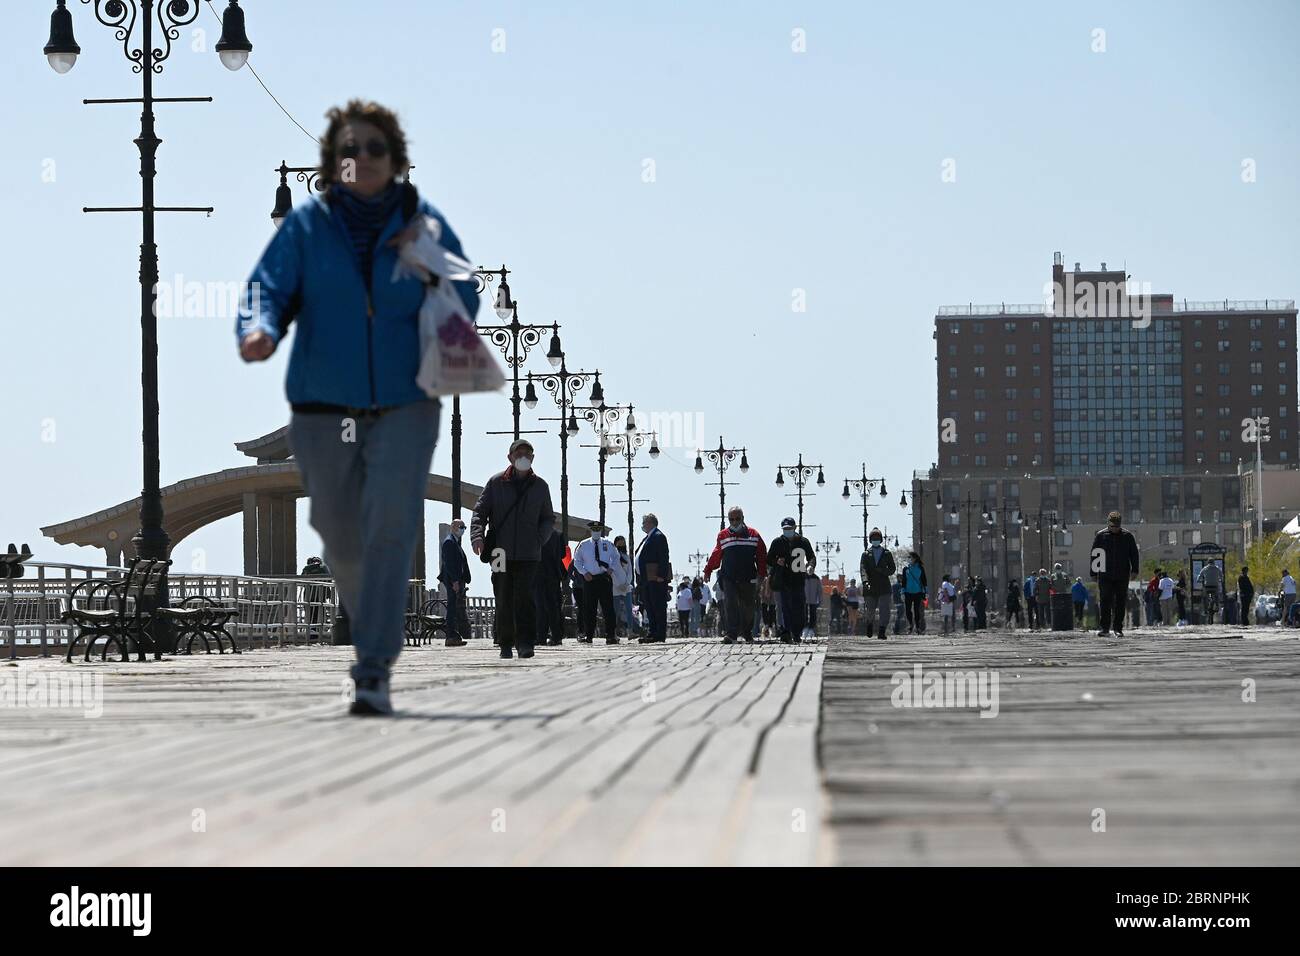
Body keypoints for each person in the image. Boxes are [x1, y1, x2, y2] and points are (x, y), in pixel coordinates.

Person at [238, 100, 478, 716]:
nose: (363, 158)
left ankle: (372, 664)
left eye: (375, 148)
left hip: (406, 400)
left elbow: (466, 295)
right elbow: (267, 286)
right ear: (333, 161)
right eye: (351, 149)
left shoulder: (422, 224)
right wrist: (260, 327)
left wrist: (422, 259)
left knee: (393, 524)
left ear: (395, 159)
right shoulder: (308, 226)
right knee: (340, 533)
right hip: (323, 402)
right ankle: (370, 636)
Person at [471, 438, 556, 660]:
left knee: (525, 598)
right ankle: (505, 644)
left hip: (529, 553)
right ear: (510, 457)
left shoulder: (540, 486)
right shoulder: (496, 483)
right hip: (499, 552)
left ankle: (526, 643)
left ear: (533, 458)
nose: (523, 457)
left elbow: (548, 518)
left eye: (528, 454)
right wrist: (477, 537)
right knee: (503, 596)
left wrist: (539, 539)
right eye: (519, 454)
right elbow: (479, 512)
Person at [704, 506, 767, 644]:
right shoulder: (723, 535)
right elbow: (716, 555)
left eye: (737, 519)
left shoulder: (753, 535)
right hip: (729, 577)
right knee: (730, 604)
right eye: (731, 519)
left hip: (748, 576)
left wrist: (761, 575)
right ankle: (731, 633)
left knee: (748, 606)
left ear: (743, 518)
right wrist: (708, 569)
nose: (734, 521)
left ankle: (747, 632)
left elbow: (762, 556)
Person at [573, 521, 625, 645]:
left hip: (604, 579)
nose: (596, 531)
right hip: (590, 580)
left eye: (598, 529)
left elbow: (616, 557)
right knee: (589, 609)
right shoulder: (584, 545)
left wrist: (611, 568)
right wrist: (584, 572)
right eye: (594, 529)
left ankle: (611, 635)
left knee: (608, 609)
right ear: (591, 530)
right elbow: (577, 561)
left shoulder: (608, 544)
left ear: (601, 530)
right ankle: (589, 635)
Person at [1089, 511, 1140, 638]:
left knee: (1120, 601)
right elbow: (1095, 554)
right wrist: (1093, 573)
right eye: (1112, 527)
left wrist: (1135, 570)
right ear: (1108, 525)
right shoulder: (1101, 536)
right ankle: (1105, 628)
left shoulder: (1128, 536)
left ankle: (1118, 628)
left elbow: (1134, 554)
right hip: (1104, 575)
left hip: (1122, 574)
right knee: (1105, 600)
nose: (1115, 529)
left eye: (1117, 527)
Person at [767, 517, 815, 643]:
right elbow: (768, 558)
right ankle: (786, 632)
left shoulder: (803, 542)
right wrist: (776, 561)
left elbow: (811, 557)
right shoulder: (777, 542)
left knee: (799, 608)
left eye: (789, 528)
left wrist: (810, 566)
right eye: (785, 529)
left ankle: (796, 632)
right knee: (785, 607)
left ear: (795, 528)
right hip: (783, 579)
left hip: (798, 579)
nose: (787, 531)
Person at [437, 519, 471, 647]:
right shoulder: (449, 542)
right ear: (453, 527)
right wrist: (455, 581)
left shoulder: (454, 542)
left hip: (455, 579)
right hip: (452, 580)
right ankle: (450, 636)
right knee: (452, 608)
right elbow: (449, 564)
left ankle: (454, 635)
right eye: (461, 527)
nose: (463, 529)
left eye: (464, 527)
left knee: (454, 607)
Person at [859, 528, 896, 640]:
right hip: (870, 585)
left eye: (877, 538)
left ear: (881, 540)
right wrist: (865, 582)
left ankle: (882, 631)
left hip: (884, 585)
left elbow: (892, 569)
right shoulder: (865, 554)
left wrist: (883, 571)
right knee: (870, 608)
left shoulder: (887, 553)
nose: (876, 540)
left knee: (884, 609)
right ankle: (869, 624)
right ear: (870, 540)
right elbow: (863, 569)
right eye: (873, 538)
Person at [534, 526, 567, 646]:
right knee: (553, 607)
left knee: (539, 607)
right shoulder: (558, 534)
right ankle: (557, 636)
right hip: (553, 574)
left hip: (537, 574)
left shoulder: (532, 531)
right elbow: (563, 554)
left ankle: (541, 636)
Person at [613, 536, 636, 638]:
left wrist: (626, 584)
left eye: (623, 541)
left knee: (629, 609)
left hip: (626, 587)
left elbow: (630, 572)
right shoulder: (612, 556)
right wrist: (618, 584)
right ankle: (613, 632)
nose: (621, 543)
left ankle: (630, 631)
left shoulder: (626, 557)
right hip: (615, 588)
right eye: (619, 541)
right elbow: (611, 572)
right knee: (616, 611)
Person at [902, 552, 927, 634]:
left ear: (915, 558)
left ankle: (918, 627)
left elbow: (924, 580)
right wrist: (902, 592)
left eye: (910, 557)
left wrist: (926, 591)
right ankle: (910, 625)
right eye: (908, 557)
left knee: (917, 610)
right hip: (907, 592)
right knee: (908, 610)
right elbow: (903, 581)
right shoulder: (905, 569)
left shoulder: (920, 568)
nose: (909, 559)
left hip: (918, 592)